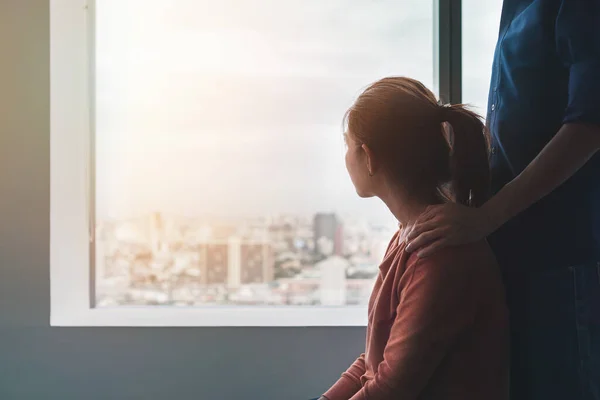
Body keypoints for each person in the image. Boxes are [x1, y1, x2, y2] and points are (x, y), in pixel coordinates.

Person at [404, 1, 600, 399]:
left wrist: (487, 216)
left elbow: (590, 121)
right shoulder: (515, 7)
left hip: (561, 260)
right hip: (514, 257)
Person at [316, 77, 509, 400]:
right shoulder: (409, 234)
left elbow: (392, 388)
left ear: (368, 156)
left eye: (347, 145)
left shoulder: (438, 253)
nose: (345, 157)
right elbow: (374, 362)